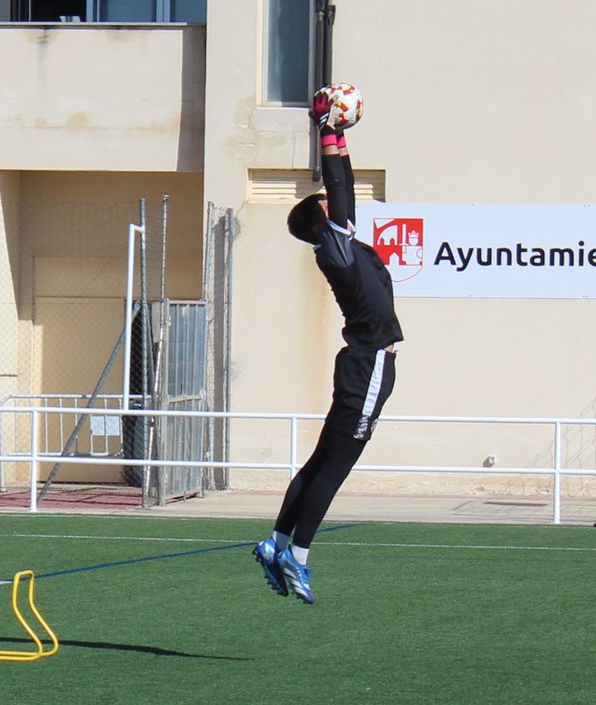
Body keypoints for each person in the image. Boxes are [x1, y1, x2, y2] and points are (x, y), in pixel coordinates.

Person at [252, 87, 404, 605]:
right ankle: (299, 554)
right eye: (327, 205)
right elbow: (340, 185)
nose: (335, 202)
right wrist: (329, 131)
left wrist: (338, 136)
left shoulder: (341, 244)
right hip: (368, 365)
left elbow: (345, 192)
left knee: (320, 461)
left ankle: (275, 543)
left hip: (361, 364)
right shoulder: (334, 249)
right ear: (322, 219)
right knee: (334, 467)